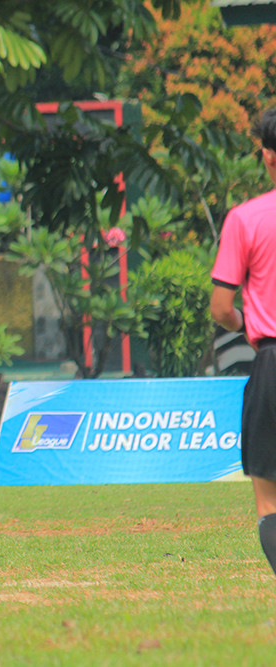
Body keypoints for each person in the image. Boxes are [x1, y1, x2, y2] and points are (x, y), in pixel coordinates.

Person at [211, 107, 276, 578]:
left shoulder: (245, 218)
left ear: (267, 156)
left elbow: (220, 309)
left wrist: (250, 324)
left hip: (271, 359)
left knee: (269, 498)